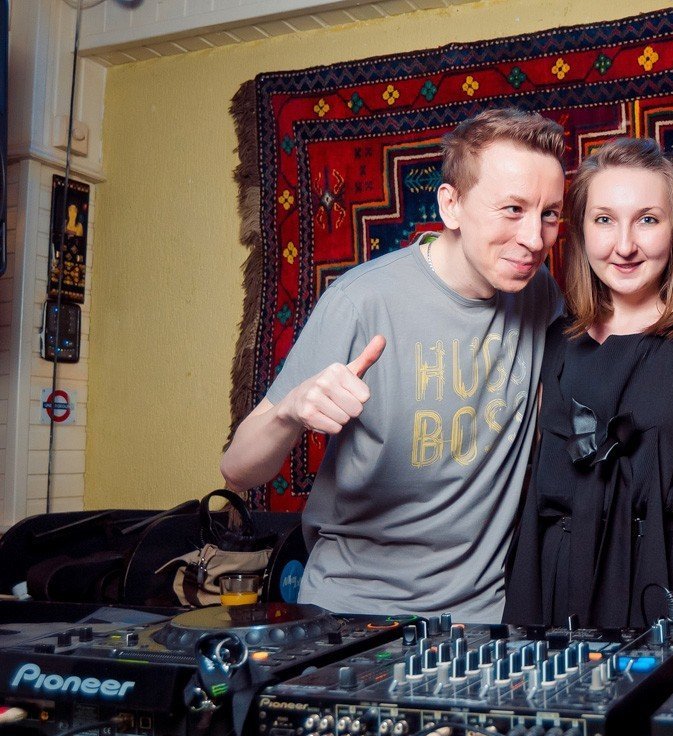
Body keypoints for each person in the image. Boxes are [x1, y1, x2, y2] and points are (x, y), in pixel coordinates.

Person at [220, 108, 566, 622]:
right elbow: (238, 469)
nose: (534, 239)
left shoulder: (539, 294)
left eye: (550, 214)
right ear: (451, 205)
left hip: (482, 618)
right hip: (351, 610)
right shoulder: (361, 301)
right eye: (512, 209)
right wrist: (290, 411)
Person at [504, 137, 673, 641]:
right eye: (604, 220)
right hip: (555, 598)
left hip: (666, 596)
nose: (624, 246)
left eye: (647, 219)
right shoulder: (553, 342)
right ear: (581, 231)